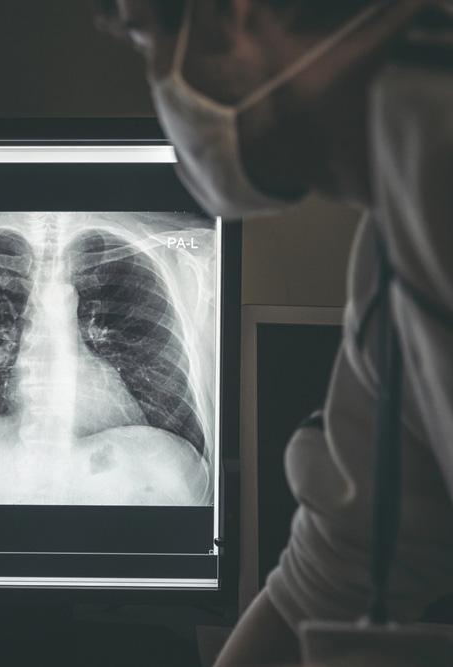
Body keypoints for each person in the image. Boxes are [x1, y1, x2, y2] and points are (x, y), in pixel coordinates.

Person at [96, 0, 453, 664]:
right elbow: (328, 580)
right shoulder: (397, 257)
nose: (160, 86)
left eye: (150, 40)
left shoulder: (436, 148)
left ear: (233, 14)